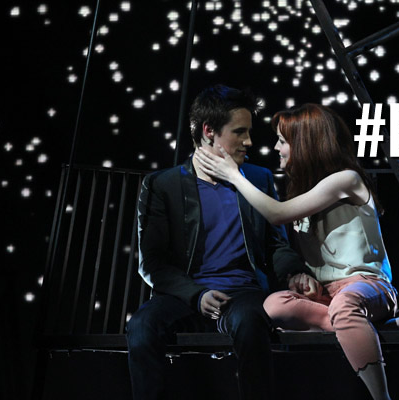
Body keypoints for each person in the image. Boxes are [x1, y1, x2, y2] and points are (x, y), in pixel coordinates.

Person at [195, 103, 399, 400]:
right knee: (274, 305)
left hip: (367, 286)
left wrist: (234, 176)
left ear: (306, 143)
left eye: (283, 141)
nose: (277, 148)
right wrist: (303, 278)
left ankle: (381, 396)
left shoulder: (346, 179)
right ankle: (375, 328)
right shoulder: (304, 189)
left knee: (345, 306)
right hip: (327, 294)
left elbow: (277, 214)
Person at [126, 85, 311, 400]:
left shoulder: (257, 178)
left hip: (243, 293)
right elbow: (153, 263)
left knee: (251, 322)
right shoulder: (162, 185)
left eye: (249, 131)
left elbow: (275, 244)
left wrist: (294, 272)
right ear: (208, 131)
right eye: (239, 132)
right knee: (141, 326)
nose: (249, 141)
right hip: (185, 295)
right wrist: (196, 294)